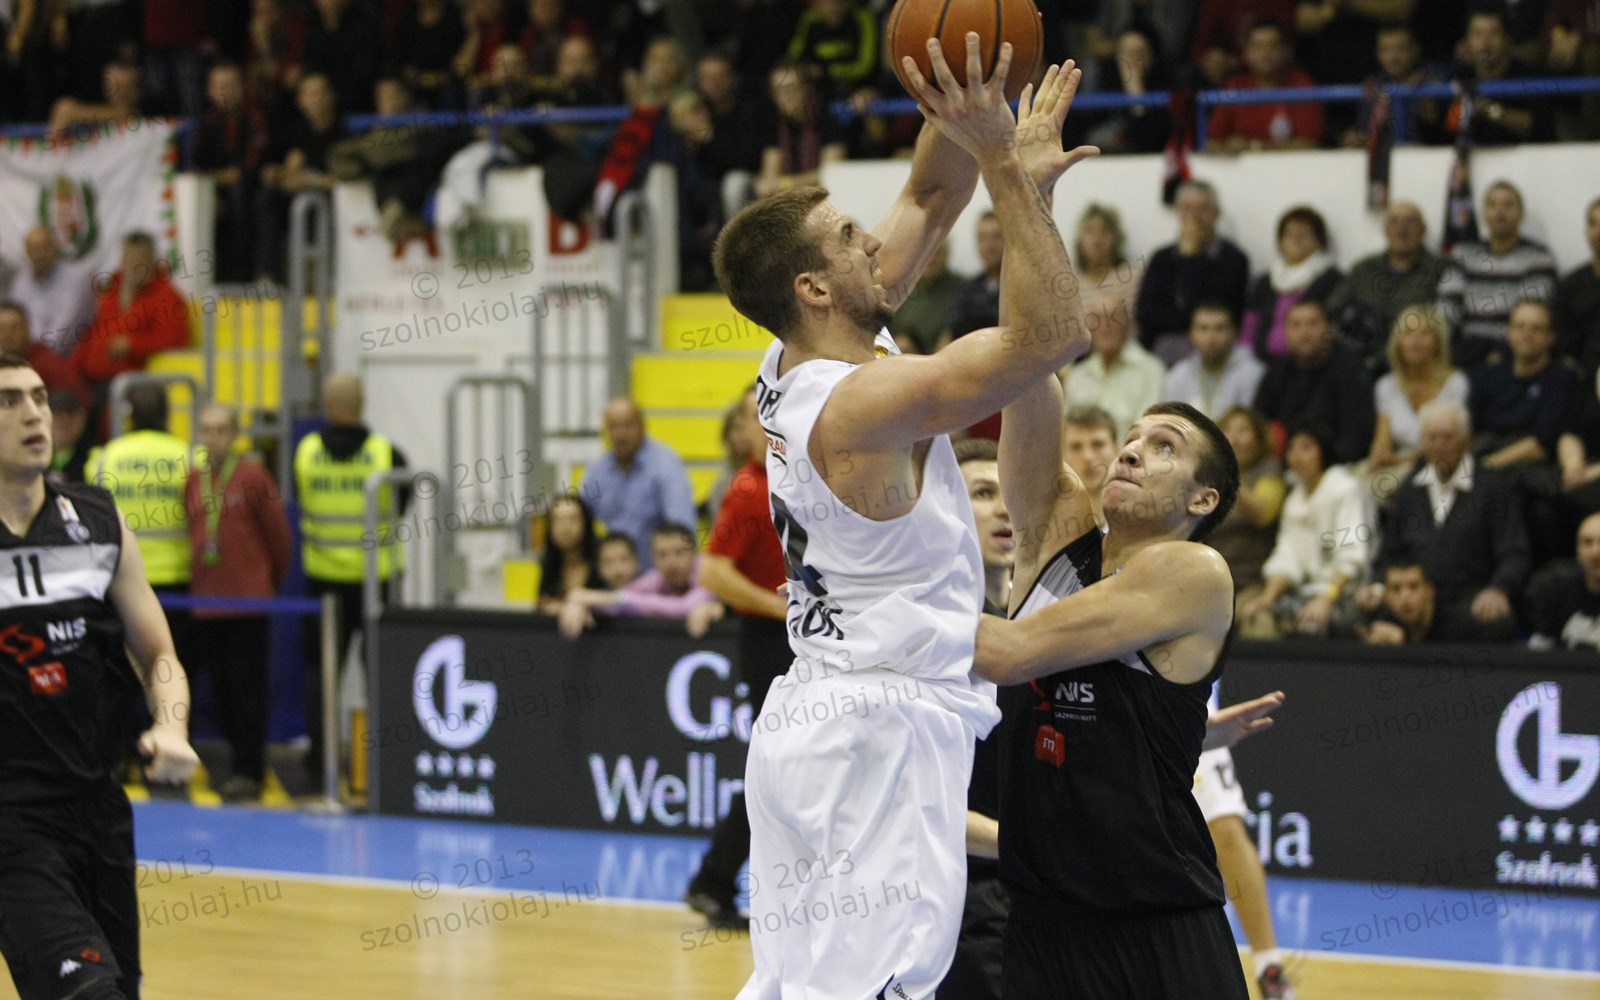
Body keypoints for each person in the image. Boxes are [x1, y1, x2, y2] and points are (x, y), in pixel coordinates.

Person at [713, 43, 1098, 998]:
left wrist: (959, 88)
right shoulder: (858, 404)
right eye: (849, 237)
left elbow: (930, 193)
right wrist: (1008, 165)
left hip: (822, 717)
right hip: (874, 735)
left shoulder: (801, 357)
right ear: (812, 287)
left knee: (800, 987)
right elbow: (1049, 340)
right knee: (878, 986)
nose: (872, 243)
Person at [971, 383, 1248, 997]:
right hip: (1040, 921)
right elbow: (1030, 373)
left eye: (1164, 447)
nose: (1131, 451)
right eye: (1131, 438)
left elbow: (1007, 654)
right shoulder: (1058, 538)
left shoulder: (1195, 571)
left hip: (1156, 924)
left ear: (1202, 499)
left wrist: (862, 595)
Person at [0, 352, 200, 1000]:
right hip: (11, 821)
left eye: (38, 397)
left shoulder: (98, 522)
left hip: (99, 810)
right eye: (8, 401)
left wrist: (171, 727)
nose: (33, 413)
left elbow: (158, 655)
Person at [684, 385, 790, 930]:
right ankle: (713, 879)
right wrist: (779, 608)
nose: (761, 423)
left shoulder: (793, 478)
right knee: (776, 768)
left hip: (795, 638)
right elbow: (713, 571)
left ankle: (716, 881)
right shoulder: (750, 488)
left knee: (783, 769)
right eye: (751, 416)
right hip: (772, 642)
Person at [293, 372, 408, 782]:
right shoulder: (387, 454)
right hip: (377, 581)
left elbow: (300, 500)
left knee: (321, 675)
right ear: (363, 402)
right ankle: (385, 767)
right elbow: (403, 505)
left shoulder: (306, 452)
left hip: (323, 581)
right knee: (382, 672)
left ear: (327, 405)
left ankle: (319, 764)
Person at [184, 403, 292, 802]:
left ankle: (250, 768)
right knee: (221, 688)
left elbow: (279, 538)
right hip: (206, 600)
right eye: (206, 430)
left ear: (234, 435)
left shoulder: (252, 476)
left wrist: (264, 583)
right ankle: (232, 762)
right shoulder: (194, 479)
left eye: (220, 430)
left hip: (247, 602)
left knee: (248, 688)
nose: (212, 438)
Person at [1367, 399, 1529, 641]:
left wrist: (1498, 588)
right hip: (1415, 600)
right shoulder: (1411, 489)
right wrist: (1379, 587)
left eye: (1447, 437)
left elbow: (1515, 552)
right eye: (1432, 438)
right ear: (1422, 443)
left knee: (1495, 623)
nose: (1439, 446)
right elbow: (1389, 551)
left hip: (1470, 598)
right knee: (1363, 617)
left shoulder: (1492, 487)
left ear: (1466, 440)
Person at [86, 383, 193, 665]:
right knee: (171, 664)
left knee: (126, 667)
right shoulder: (190, 456)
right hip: (176, 576)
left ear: (129, 416)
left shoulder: (103, 458)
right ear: (167, 414)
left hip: (119, 576)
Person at [1240, 424, 1369, 637]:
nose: (1296, 455)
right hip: (1303, 594)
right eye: (1292, 448)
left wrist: (1326, 598)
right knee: (1255, 616)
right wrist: (1268, 597)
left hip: (1346, 595)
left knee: (1311, 625)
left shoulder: (1345, 490)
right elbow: (1287, 556)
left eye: (1306, 448)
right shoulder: (1294, 499)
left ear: (1323, 452)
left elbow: (1352, 554)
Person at [71, 232, 190, 437]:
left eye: (139, 259)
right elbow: (95, 330)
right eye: (128, 258)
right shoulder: (112, 289)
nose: (133, 264)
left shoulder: (166, 297)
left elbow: (174, 340)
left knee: (98, 410)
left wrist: (133, 345)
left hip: (132, 381)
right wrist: (75, 365)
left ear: (152, 261)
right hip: (92, 378)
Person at [1436, 180, 1559, 369]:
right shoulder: (1463, 254)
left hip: (1516, 352)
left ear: (1520, 214)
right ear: (1484, 213)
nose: (1500, 212)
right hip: (1466, 349)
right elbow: (1446, 309)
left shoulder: (1538, 258)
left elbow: (1532, 315)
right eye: (1492, 205)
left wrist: (1506, 350)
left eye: (1508, 205)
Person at [1136, 181, 1251, 364]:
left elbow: (1213, 313)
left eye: (1203, 208)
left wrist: (1190, 259)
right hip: (1159, 354)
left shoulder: (1232, 259)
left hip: (1211, 354)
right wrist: (1182, 317)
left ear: (1216, 213)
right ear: (1178, 213)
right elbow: (1146, 314)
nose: (1195, 216)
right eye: (1188, 208)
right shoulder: (1161, 258)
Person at [1326, 201, 1448, 371]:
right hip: (1362, 363)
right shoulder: (1364, 269)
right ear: (1385, 229)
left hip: (1417, 363)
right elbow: (1332, 309)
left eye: (1410, 221)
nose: (1401, 229)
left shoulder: (1441, 270)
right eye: (1394, 221)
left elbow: (1445, 323)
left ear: (1423, 229)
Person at [1252, 299, 1375, 465]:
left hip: (1338, 466)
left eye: (1312, 323)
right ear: (1286, 333)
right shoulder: (1277, 370)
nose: (1305, 332)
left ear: (1329, 328)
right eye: (1296, 325)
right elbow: (1259, 424)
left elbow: (1357, 438)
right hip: (1284, 464)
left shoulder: (1350, 370)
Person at [582, 398, 696, 571]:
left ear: (642, 426)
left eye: (628, 426)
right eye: (614, 427)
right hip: (612, 574)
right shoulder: (597, 470)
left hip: (658, 575)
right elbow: (581, 520)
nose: (621, 435)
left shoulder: (666, 465)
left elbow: (681, 529)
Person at [555, 522, 724, 638]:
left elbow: (683, 607)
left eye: (679, 553)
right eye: (662, 554)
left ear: (695, 553)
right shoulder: (656, 577)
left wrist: (612, 598)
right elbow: (622, 604)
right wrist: (581, 606)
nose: (671, 562)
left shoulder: (710, 572)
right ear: (653, 558)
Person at [1208, 406, 1287, 636]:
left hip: (1251, 581)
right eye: (1227, 430)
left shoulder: (1268, 470)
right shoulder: (1207, 475)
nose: (1233, 438)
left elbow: (1263, 514)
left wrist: (1229, 474)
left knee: (1259, 624)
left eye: (1243, 431)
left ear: (1258, 439)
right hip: (1210, 581)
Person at [1368, 305, 1469, 478]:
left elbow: (1449, 442)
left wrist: (1398, 460)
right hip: (1396, 469)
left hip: (1442, 467)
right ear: (1397, 343)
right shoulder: (1386, 386)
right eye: (1408, 334)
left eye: (1424, 334)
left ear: (1438, 343)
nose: (1416, 342)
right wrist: (1380, 457)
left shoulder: (1456, 383)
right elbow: (1381, 444)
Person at [1062, 285, 1167, 438]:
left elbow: (1148, 432)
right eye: (1097, 319)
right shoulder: (1077, 375)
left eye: (1113, 318)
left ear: (1128, 324)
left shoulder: (1151, 370)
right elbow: (1068, 431)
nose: (1105, 327)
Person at [1240, 206, 1343, 361]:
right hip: (1263, 363)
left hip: (1312, 363)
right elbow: (1250, 324)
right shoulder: (1266, 281)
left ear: (1319, 241)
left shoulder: (1332, 279)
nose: (1296, 240)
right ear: (1280, 241)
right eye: (1290, 234)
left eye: (1304, 234)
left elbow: (1334, 327)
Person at [1208, 19, 1325, 153]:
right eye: (1258, 46)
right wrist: (1227, 148)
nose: (1265, 53)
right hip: (1242, 166)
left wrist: (1254, 147)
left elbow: (1311, 144)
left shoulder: (1302, 86)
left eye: (1273, 45)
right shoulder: (1234, 87)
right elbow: (1210, 142)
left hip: (1291, 165)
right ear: (1246, 53)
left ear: (1287, 51)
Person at [1163, 301, 1266, 420]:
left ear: (1234, 332)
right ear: (1191, 333)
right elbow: (1169, 420)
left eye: (1219, 328)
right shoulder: (1178, 374)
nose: (1211, 337)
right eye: (1203, 328)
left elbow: (1251, 423)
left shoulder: (1252, 372)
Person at [6, 227, 97, 360]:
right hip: (29, 356)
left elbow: (66, 330)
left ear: (56, 247)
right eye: (33, 249)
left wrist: (36, 354)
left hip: (67, 358)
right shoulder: (22, 280)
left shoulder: (78, 277)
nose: (39, 254)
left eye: (44, 247)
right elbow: (15, 322)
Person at [1527, 511, 1600, 651]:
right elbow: (1538, 652)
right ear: (1578, 551)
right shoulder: (1558, 595)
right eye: (1587, 542)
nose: (1595, 552)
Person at [1360, 561, 1480, 644]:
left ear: (1429, 591)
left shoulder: (1459, 629)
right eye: (1396, 589)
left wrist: (1400, 647)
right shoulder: (1383, 624)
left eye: (1413, 587)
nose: (1405, 597)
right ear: (1387, 595)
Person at [0, 301, 89, 410]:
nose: (7, 335)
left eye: (14, 328)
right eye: (2, 328)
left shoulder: (46, 364)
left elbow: (79, 399)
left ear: (27, 330)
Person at [939, 211, 1004, 350]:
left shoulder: (1020, 287)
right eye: (982, 238)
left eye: (996, 237)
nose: (989, 246)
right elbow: (950, 331)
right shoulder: (970, 287)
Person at [887, 240, 963, 355]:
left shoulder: (961, 288)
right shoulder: (900, 285)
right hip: (898, 353)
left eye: (936, 252)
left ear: (946, 254)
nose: (931, 259)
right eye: (925, 252)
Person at [1555, 195, 1600, 381]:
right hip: (1582, 379)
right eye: (1593, 223)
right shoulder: (1571, 285)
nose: (1599, 231)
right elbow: (1563, 343)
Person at [536, 493, 604, 611]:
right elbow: (542, 604)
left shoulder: (603, 557)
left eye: (573, 519)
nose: (565, 528)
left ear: (586, 523)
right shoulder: (547, 562)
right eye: (557, 520)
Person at [1062, 405, 1119, 520]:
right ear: (1062, 456)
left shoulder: (1141, 520)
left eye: (1098, 444)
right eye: (1076, 447)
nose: (1088, 457)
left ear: (1117, 450)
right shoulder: (1045, 523)